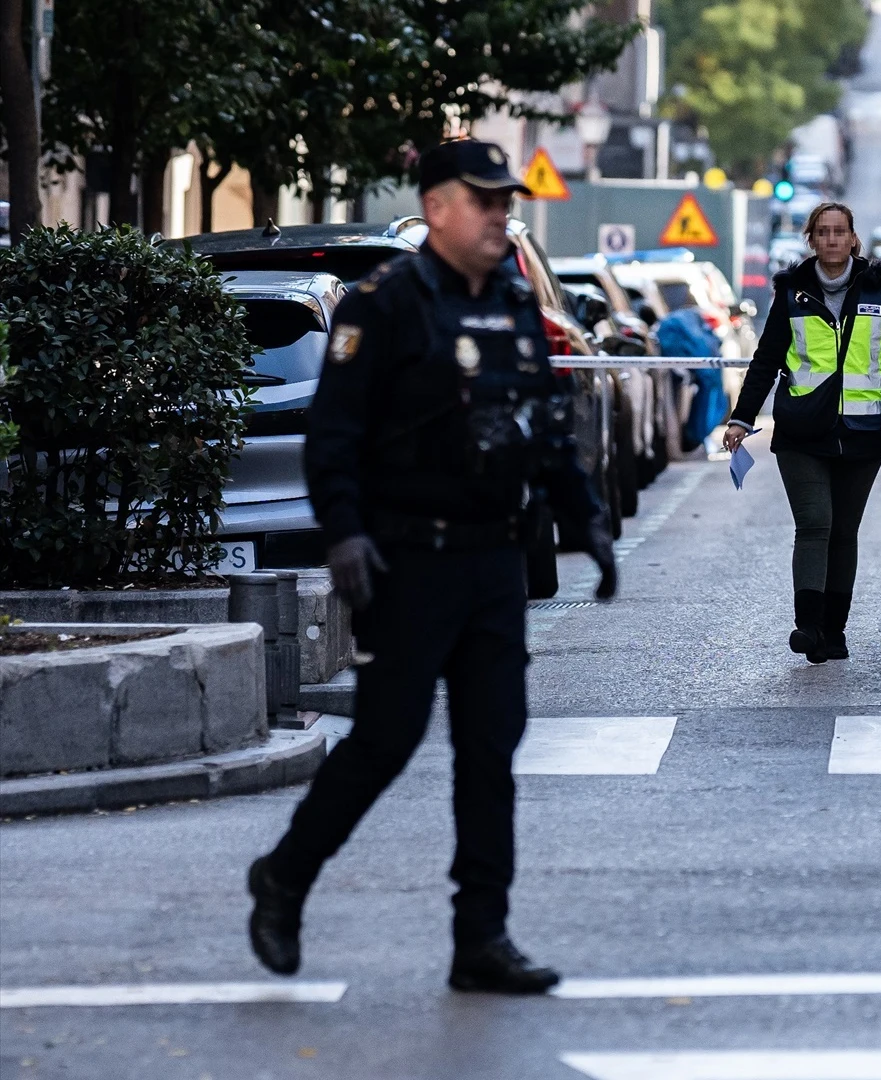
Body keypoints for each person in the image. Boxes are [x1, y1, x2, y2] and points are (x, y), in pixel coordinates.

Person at [246, 140, 617, 995]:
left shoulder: (516, 301)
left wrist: (588, 520)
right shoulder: (383, 307)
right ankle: (285, 876)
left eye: (503, 202)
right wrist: (343, 535)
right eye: (483, 201)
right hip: (409, 560)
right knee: (385, 740)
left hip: (495, 560)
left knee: (492, 750)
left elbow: (548, 424)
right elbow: (333, 440)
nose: (499, 216)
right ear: (437, 207)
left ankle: (480, 936)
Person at [721, 202, 881, 662]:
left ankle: (834, 630)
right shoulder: (791, 292)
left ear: (853, 239)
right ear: (811, 239)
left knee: (844, 531)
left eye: (839, 232)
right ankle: (807, 625)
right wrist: (741, 418)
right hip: (802, 430)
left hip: (863, 431)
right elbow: (766, 359)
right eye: (822, 232)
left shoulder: (880, 288)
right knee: (814, 523)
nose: (831, 240)